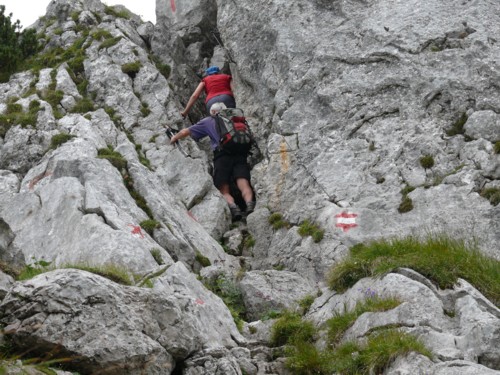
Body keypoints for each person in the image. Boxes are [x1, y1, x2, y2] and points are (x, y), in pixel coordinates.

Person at [170, 102, 255, 221]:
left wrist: (174, 137)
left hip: (222, 157)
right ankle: (250, 206)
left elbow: (186, 132)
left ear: (214, 112)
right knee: (244, 184)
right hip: (241, 154)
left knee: (223, 188)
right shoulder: (237, 121)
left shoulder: (209, 121)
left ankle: (234, 209)